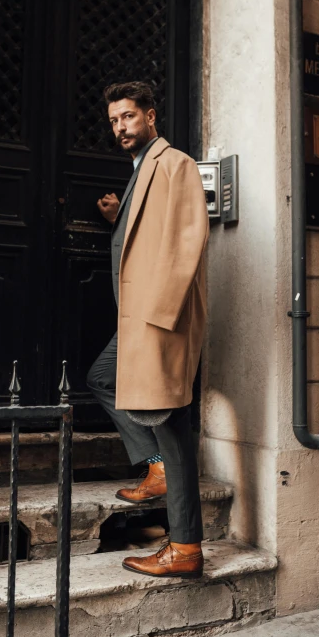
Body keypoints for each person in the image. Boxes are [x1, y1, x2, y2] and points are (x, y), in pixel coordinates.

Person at [87, 81, 209, 578]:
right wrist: (119, 220)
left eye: (129, 117)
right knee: (105, 379)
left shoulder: (173, 163)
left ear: (151, 116)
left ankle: (184, 547)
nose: (120, 127)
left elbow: (186, 238)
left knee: (174, 427)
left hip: (159, 320)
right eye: (114, 120)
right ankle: (155, 469)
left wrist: (160, 319)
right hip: (137, 321)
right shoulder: (140, 171)